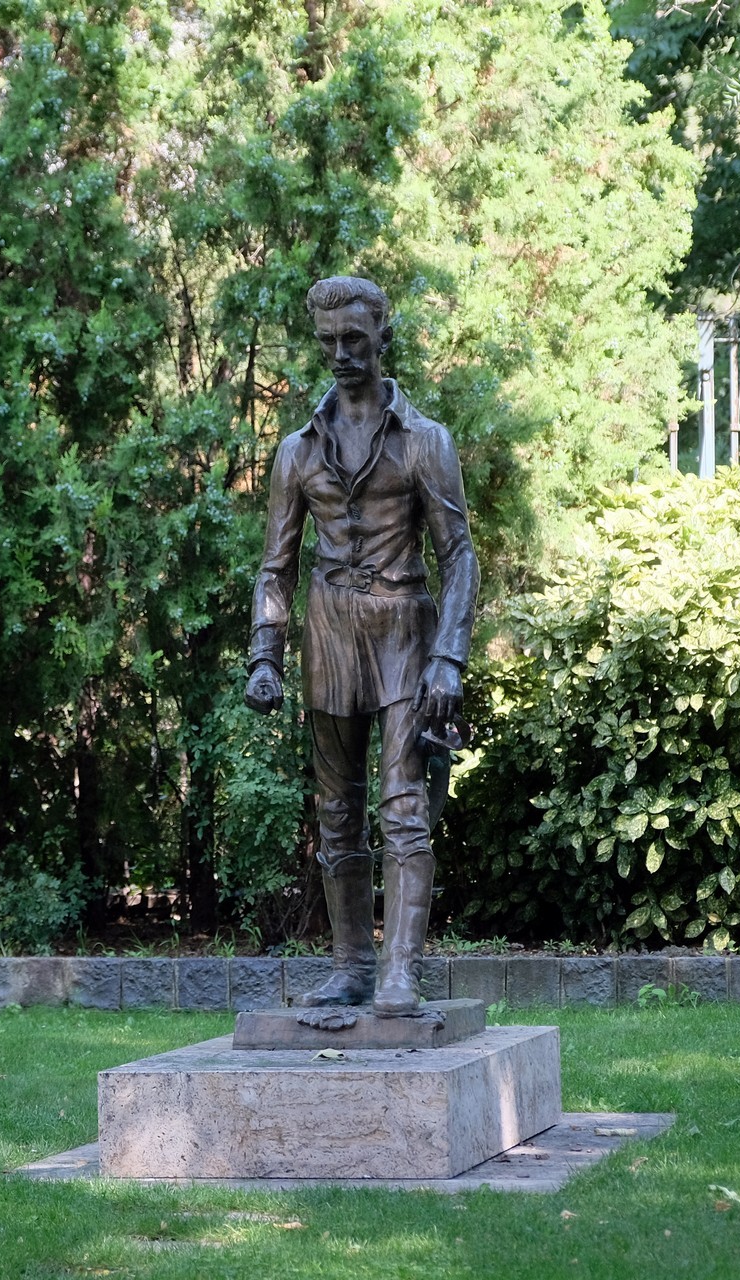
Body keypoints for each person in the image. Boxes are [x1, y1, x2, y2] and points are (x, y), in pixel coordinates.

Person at [243, 276, 478, 1016]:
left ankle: (401, 970)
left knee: (403, 807)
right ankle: (351, 965)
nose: (341, 353)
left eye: (354, 338)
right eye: (329, 341)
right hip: (329, 634)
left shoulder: (425, 441)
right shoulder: (296, 451)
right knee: (335, 812)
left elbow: (459, 556)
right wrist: (265, 655)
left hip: (405, 631)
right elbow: (276, 566)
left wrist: (450, 657)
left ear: (381, 336)